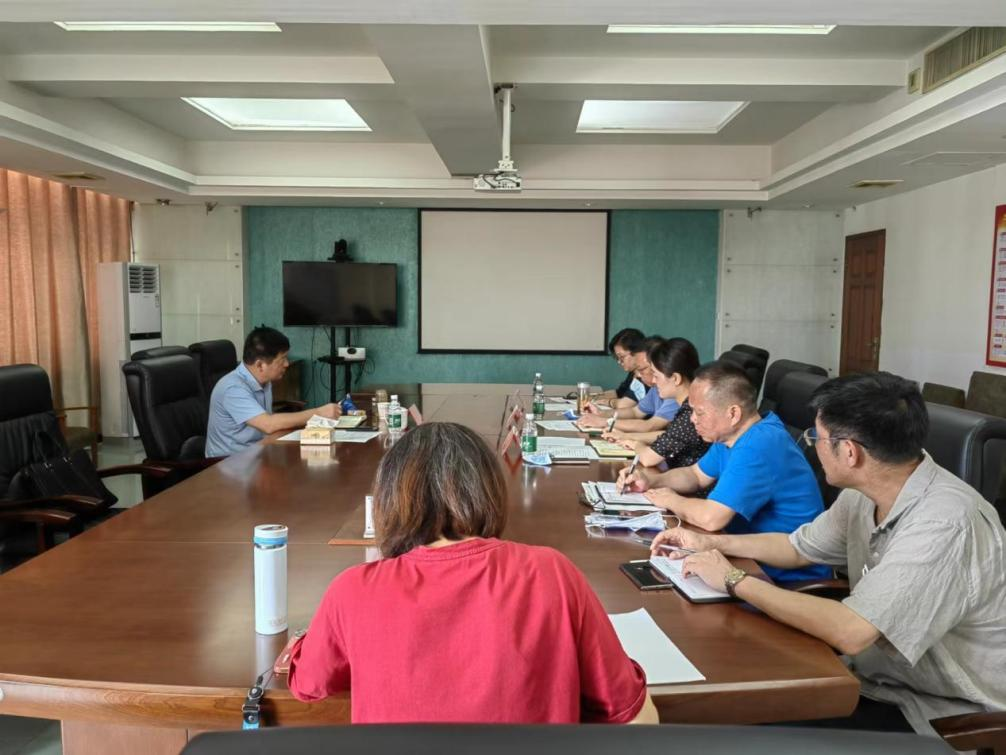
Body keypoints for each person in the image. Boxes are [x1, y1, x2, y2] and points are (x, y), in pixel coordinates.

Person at [650, 372, 1006, 736]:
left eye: (815, 437)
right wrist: (714, 544)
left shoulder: (945, 522)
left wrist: (733, 579)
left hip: (940, 711)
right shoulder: (864, 494)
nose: (812, 446)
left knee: (737, 721)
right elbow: (797, 547)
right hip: (870, 677)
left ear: (849, 452)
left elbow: (852, 631)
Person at [288, 422, 658, 724]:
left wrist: (308, 640)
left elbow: (308, 685)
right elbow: (633, 713)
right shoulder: (550, 572)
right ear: (488, 490)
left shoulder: (353, 590)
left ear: (389, 499)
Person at [619, 361, 828, 582]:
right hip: (739, 553)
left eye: (699, 412)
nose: (692, 419)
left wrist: (670, 499)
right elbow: (695, 475)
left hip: (781, 575)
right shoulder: (731, 436)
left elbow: (711, 518)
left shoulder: (758, 444)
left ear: (733, 413)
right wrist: (652, 481)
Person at [205, 326, 341, 457]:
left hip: (258, 453)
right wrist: (318, 413)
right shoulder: (233, 388)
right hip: (229, 462)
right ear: (260, 365)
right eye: (282, 359)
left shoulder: (264, 381)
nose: (287, 364)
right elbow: (268, 424)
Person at [603, 337, 709, 472]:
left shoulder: (691, 413)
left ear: (675, 378)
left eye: (656, 376)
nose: (653, 381)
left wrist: (634, 443)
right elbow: (668, 436)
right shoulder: (687, 406)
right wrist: (627, 437)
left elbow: (648, 458)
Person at [579, 337, 679, 434]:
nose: (638, 375)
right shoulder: (655, 389)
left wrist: (605, 422)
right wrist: (601, 413)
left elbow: (649, 426)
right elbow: (635, 412)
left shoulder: (672, 393)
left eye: (642, 369)